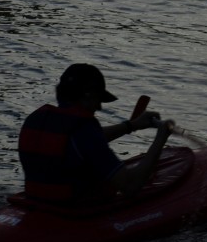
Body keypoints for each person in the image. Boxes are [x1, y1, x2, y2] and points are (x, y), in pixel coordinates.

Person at [18, 63, 173, 208]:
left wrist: (131, 125)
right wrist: (161, 138)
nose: (99, 107)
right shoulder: (84, 131)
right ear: (87, 95)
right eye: (99, 99)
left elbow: (82, 143)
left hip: (37, 203)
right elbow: (130, 186)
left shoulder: (36, 120)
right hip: (74, 210)